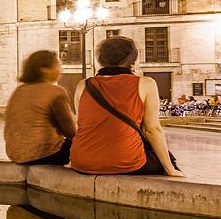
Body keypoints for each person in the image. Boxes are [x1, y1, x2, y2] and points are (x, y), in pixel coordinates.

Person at [70, 36, 183, 176]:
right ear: (132, 60)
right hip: (126, 162)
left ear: (100, 59)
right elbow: (152, 129)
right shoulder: (146, 83)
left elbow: (82, 124)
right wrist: (170, 169)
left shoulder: (83, 85)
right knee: (167, 158)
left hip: (82, 162)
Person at [4, 50, 76, 165]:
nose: (60, 70)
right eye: (57, 65)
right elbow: (70, 131)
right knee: (85, 141)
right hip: (47, 154)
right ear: (44, 69)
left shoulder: (19, 90)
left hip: (16, 154)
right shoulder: (55, 91)